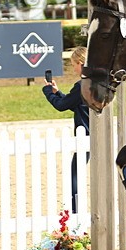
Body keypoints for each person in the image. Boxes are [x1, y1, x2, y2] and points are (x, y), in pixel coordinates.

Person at [43, 46, 91, 212]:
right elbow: (76, 105)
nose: (74, 68)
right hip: (96, 136)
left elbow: (62, 106)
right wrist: (58, 92)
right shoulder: (94, 83)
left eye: (74, 65)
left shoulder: (81, 86)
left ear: (80, 63)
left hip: (84, 139)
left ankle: (76, 210)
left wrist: (48, 92)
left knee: (75, 177)